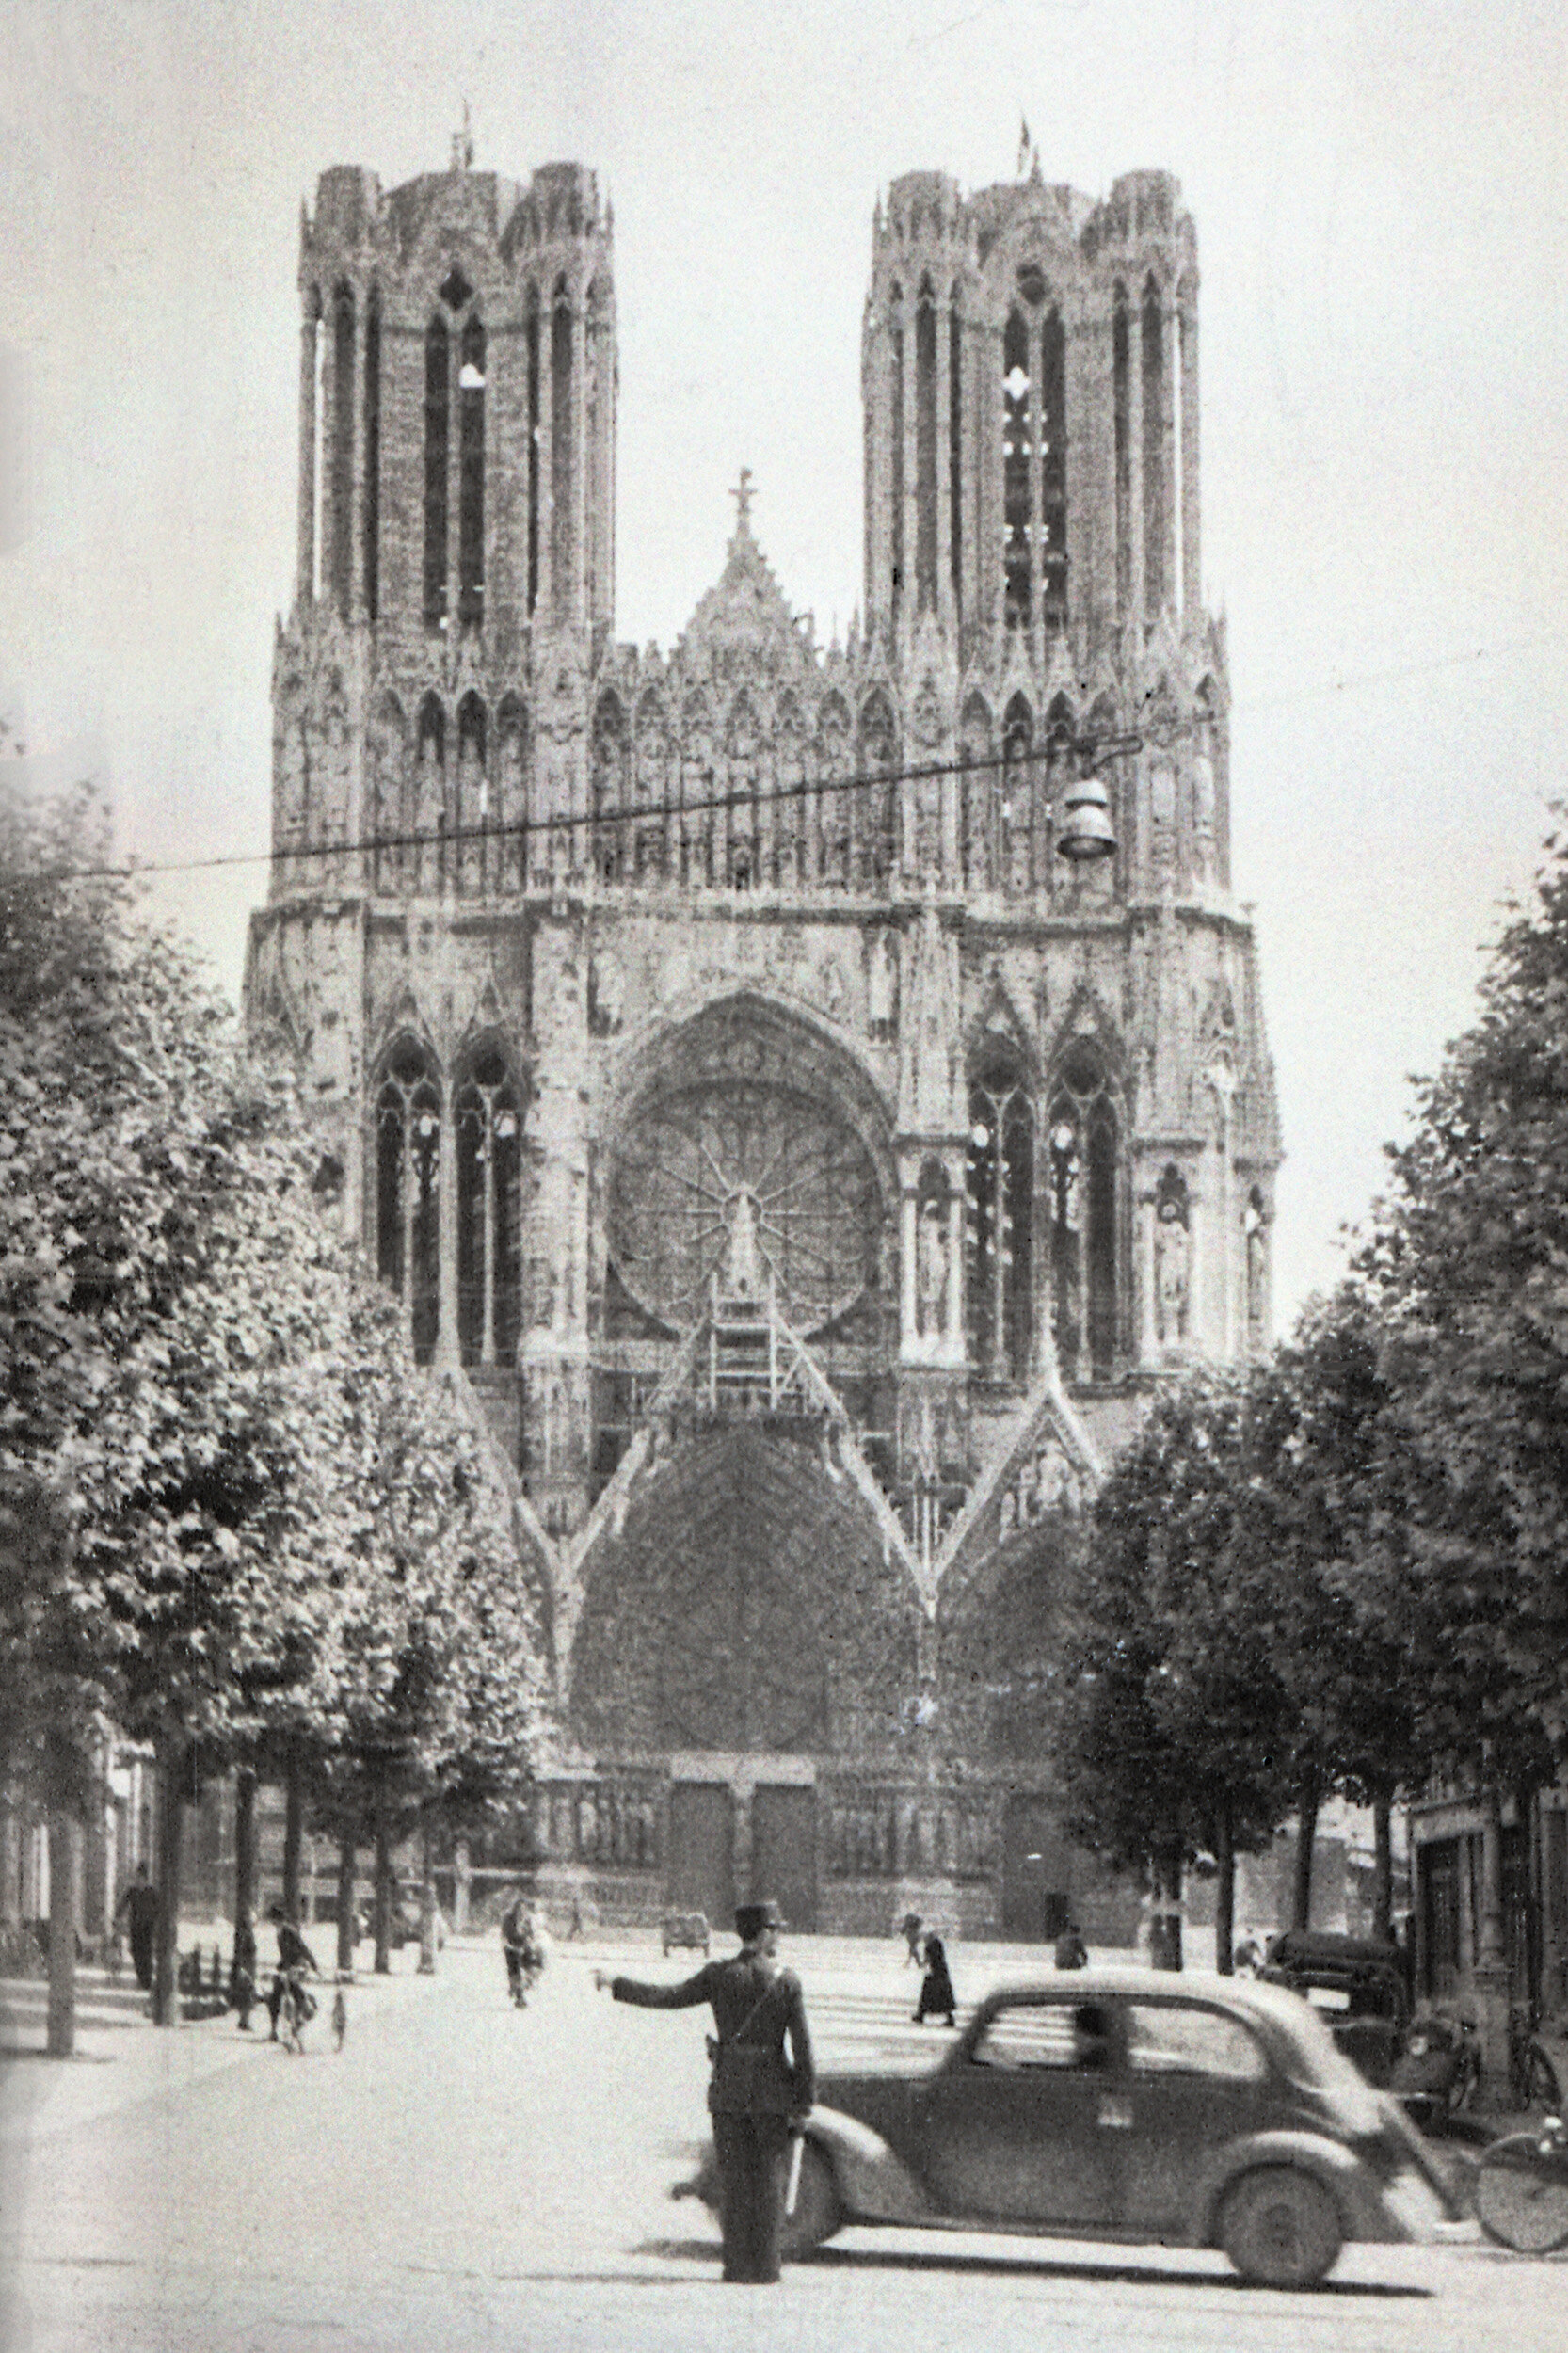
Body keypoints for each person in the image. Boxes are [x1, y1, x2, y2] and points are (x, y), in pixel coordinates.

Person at [597, 1897, 814, 2284]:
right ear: (764, 1934)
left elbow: (667, 1996)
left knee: (734, 2180)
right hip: (770, 2094)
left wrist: (617, 1983)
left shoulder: (718, 1976)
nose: (778, 1937)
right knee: (767, 2180)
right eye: (776, 1930)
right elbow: (803, 2050)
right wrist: (803, 2102)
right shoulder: (787, 1981)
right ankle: (765, 2268)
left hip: (728, 2090)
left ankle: (734, 2266)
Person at [264, 1904, 319, 2040]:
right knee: (274, 1997)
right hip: (286, 1966)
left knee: (294, 1990)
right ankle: (274, 2030)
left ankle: (300, 2017)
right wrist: (278, 1968)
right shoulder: (279, 1932)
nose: (272, 1923)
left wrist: (313, 1965)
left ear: (278, 1919)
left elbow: (302, 1948)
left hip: (297, 1965)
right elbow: (284, 1955)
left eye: (273, 1920)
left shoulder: (289, 1931)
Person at [115, 1862, 159, 1992]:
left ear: (145, 1879)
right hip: (135, 1927)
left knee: (146, 1953)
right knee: (135, 1952)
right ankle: (141, 1978)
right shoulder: (132, 1891)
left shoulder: (152, 1892)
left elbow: (159, 1908)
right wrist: (117, 1916)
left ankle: (147, 1981)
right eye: (136, 1878)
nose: (137, 1880)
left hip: (148, 1928)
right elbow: (123, 1904)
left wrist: (156, 1921)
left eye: (139, 1878)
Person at [500, 1890, 539, 2006]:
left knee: (532, 1967)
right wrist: (509, 1946)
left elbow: (532, 1935)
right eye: (519, 1909)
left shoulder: (527, 1919)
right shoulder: (508, 1918)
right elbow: (504, 1935)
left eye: (524, 1909)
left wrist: (530, 1943)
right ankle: (519, 1997)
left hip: (523, 1945)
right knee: (515, 1969)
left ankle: (519, 1986)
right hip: (511, 1946)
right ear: (515, 1909)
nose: (521, 1912)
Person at [913, 1929, 956, 2027]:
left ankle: (921, 2015)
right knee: (943, 1996)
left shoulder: (929, 1946)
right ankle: (949, 2017)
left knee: (927, 1994)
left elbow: (928, 1960)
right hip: (941, 1973)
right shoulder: (938, 1944)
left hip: (933, 1974)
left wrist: (920, 1962)